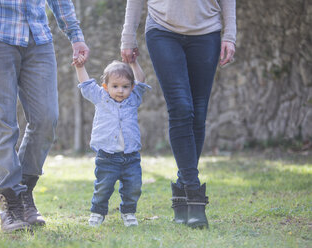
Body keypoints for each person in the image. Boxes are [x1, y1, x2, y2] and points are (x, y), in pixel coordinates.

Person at [0, 0, 89, 232]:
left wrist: (75, 34)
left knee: (46, 118)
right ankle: (11, 204)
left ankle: (24, 192)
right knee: (1, 123)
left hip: (38, 35)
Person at [121, 0, 236, 229]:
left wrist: (230, 35)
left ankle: (182, 189)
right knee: (181, 108)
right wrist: (128, 36)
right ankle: (194, 194)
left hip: (207, 31)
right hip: (162, 29)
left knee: (198, 113)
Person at [73, 55, 150, 227]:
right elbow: (86, 84)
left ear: (131, 88)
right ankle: (97, 213)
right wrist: (80, 67)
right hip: (107, 157)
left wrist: (133, 62)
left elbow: (141, 79)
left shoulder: (133, 99)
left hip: (131, 157)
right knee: (103, 188)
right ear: (106, 87)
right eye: (115, 86)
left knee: (133, 187)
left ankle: (128, 212)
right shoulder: (101, 97)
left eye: (125, 86)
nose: (120, 90)